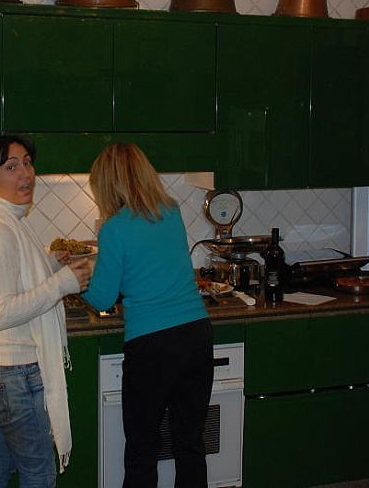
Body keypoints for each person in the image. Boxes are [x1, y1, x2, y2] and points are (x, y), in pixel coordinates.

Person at [0, 135, 92, 488]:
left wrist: (48, 266)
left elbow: (11, 280)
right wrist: (61, 283)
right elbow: (2, 312)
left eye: (28, 163)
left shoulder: (7, 222)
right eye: (11, 166)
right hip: (9, 374)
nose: (26, 174)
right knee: (38, 474)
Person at [82, 142, 213, 488]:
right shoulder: (170, 211)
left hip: (153, 345)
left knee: (142, 447)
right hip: (196, 335)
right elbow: (152, 268)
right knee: (190, 442)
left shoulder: (114, 228)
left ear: (108, 185)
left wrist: (73, 280)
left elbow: (102, 297)